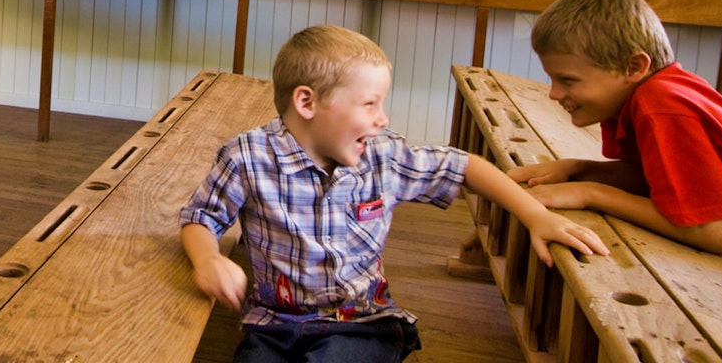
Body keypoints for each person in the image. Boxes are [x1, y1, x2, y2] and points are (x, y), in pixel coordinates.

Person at [179, 24, 608, 362]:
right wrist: (208, 258)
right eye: (369, 104)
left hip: (362, 322)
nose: (382, 118)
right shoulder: (247, 158)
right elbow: (201, 217)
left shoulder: (383, 157)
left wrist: (536, 215)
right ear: (307, 103)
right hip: (273, 324)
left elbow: (466, 167)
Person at [508, 0, 722, 256]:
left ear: (633, 67)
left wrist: (591, 193)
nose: (554, 93)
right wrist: (577, 170)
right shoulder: (649, 93)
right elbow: (658, 181)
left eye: (567, 80)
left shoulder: (660, 104)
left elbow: (720, 235)